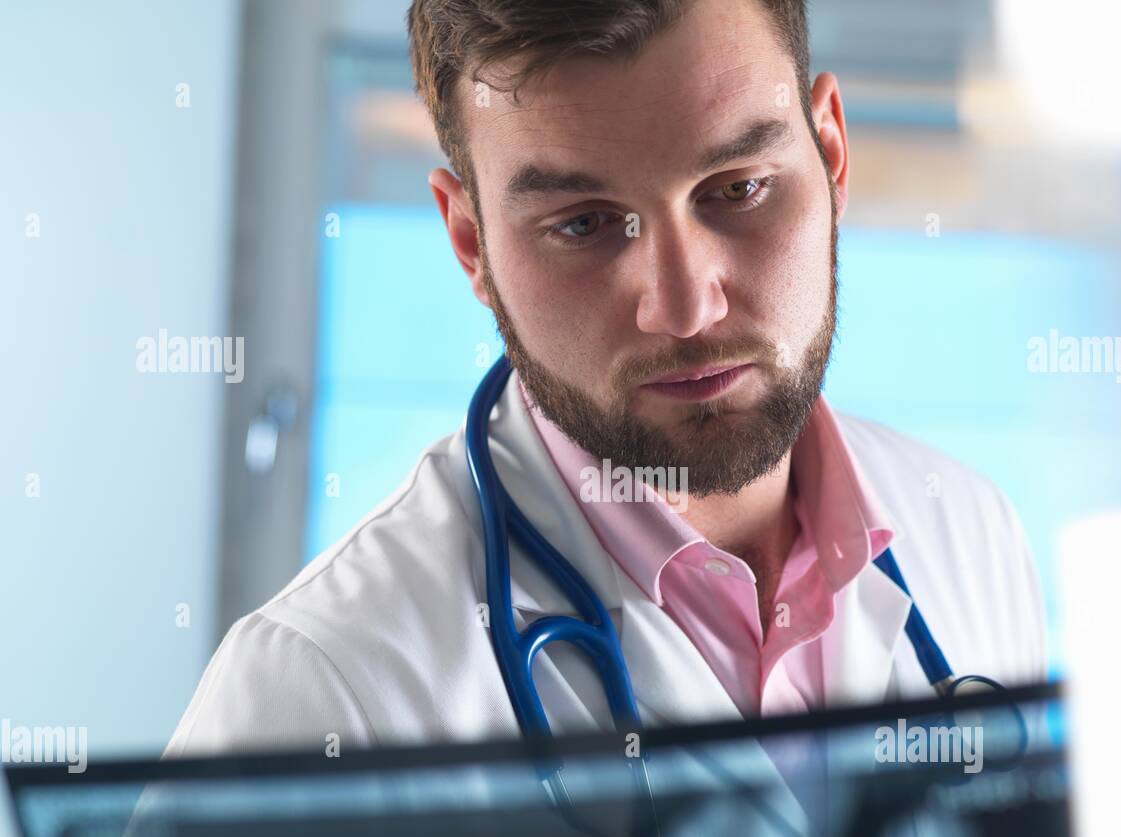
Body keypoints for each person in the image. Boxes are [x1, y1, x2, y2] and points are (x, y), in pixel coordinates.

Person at [164, 0, 1046, 760]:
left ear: (833, 155)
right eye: (585, 224)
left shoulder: (969, 535)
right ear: (471, 244)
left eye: (737, 190)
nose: (685, 306)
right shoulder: (318, 691)